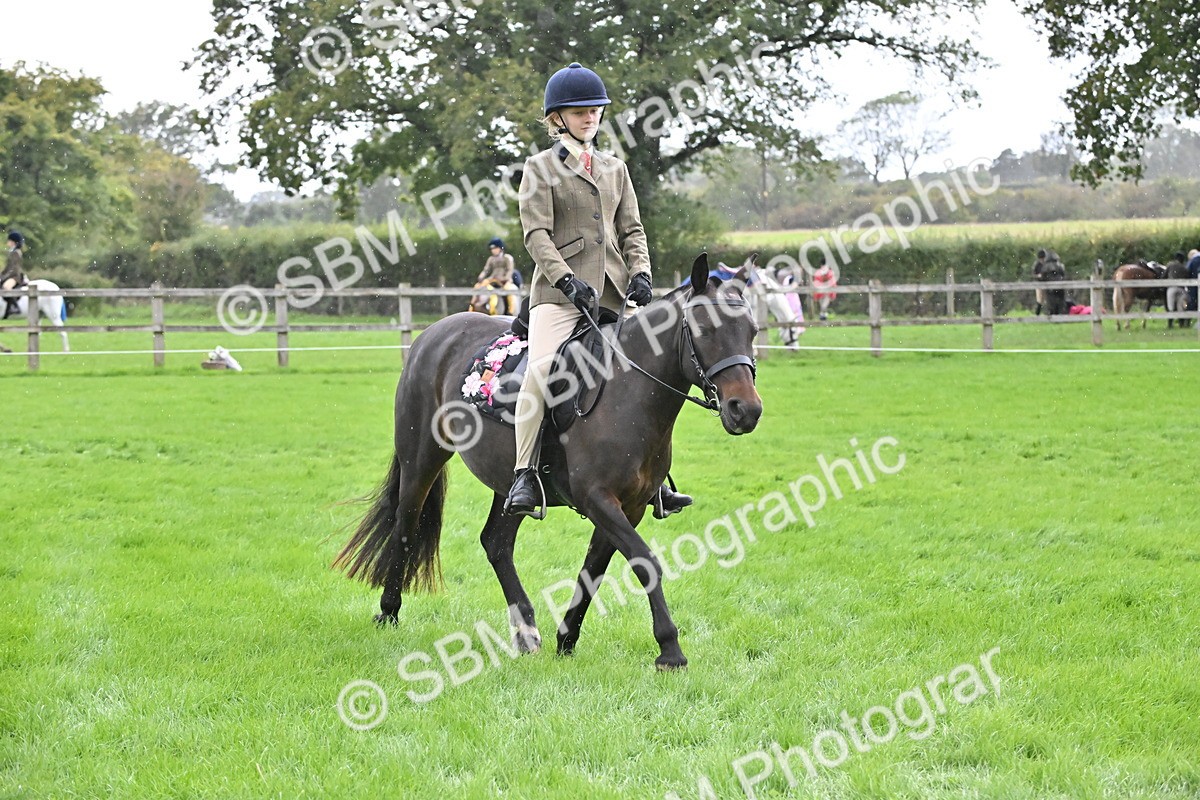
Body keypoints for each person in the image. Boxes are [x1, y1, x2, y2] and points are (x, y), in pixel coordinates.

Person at [505, 62, 690, 519]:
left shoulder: (615, 169)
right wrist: (566, 279)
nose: (590, 118)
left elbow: (632, 230)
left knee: (650, 371)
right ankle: (525, 474)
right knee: (541, 371)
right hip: (558, 296)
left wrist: (641, 272)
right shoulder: (540, 168)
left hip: (613, 294)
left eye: (596, 110)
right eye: (580, 111)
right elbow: (536, 235)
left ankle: (657, 481)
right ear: (558, 118)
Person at [473, 237, 518, 315]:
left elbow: (509, 270)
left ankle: (511, 310)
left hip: (504, 280)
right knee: (477, 286)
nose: (493, 250)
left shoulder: (507, 258)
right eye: (492, 249)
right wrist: (481, 276)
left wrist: (505, 278)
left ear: (500, 248)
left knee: (509, 290)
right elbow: (486, 270)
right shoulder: (491, 259)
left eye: (495, 248)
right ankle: (472, 306)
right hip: (493, 279)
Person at [2, 231, 28, 319]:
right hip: (10, 275)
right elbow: (7, 268)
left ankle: (15, 307)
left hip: (14, 277)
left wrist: (4, 277)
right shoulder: (11, 252)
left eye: (9, 240)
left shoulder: (16, 252)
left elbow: (13, 269)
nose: (7, 242)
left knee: (6, 287)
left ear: (14, 242)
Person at [1031, 248, 1049, 315]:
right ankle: (1037, 313)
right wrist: (1038, 276)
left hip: (1046, 282)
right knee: (1040, 299)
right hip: (1038, 283)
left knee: (1046, 299)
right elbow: (1033, 274)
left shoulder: (1047, 264)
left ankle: (1047, 313)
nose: (1042, 260)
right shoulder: (1036, 265)